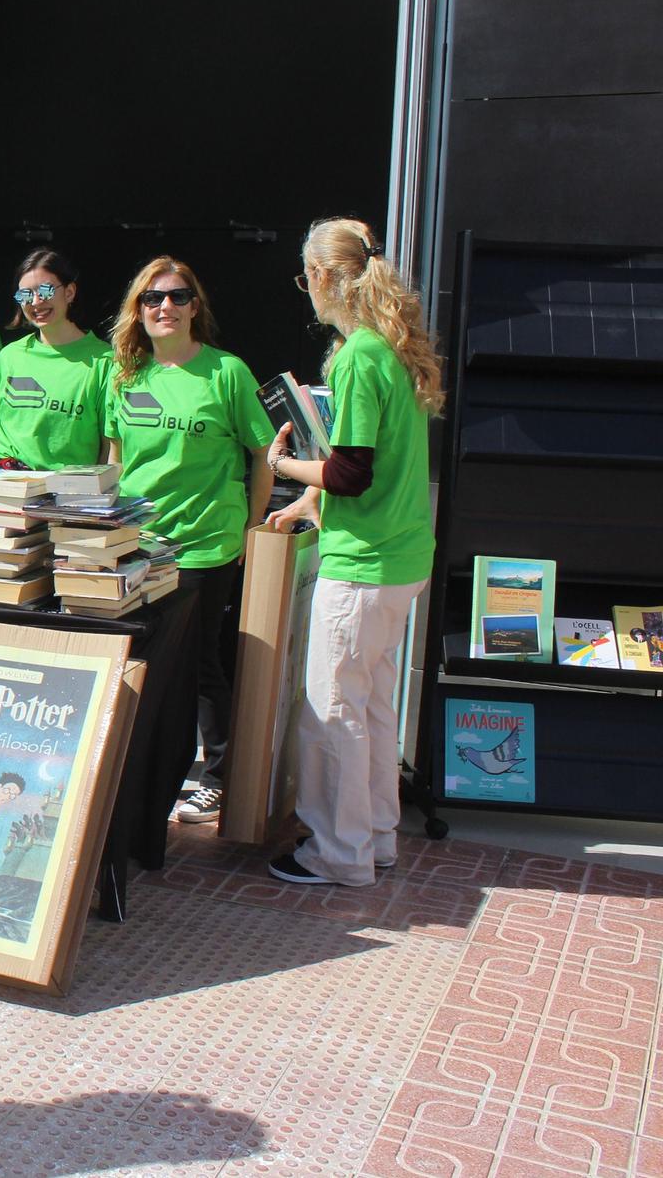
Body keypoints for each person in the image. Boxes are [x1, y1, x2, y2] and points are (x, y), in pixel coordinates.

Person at [265, 218, 444, 886]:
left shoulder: (359, 355)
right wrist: (311, 500)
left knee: (333, 709)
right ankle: (375, 838)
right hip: (401, 559)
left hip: (363, 561)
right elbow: (382, 463)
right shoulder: (392, 346)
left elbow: (350, 472)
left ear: (319, 277)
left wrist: (287, 466)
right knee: (371, 707)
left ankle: (337, 853)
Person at [103, 256, 274, 825]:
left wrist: (251, 527)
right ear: (138, 309)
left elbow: (262, 453)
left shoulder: (227, 372)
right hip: (138, 543)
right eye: (152, 299)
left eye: (177, 297)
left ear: (195, 306)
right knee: (137, 655)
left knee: (200, 663)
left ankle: (217, 778)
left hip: (206, 544)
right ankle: (144, 771)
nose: (164, 307)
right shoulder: (124, 374)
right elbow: (116, 459)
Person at [0, 247, 110, 478]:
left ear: (70, 292)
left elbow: (109, 445)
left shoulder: (105, 362)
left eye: (45, 290)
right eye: (25, 295)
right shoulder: (10, 356)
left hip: (65, 488)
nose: (35, 302)